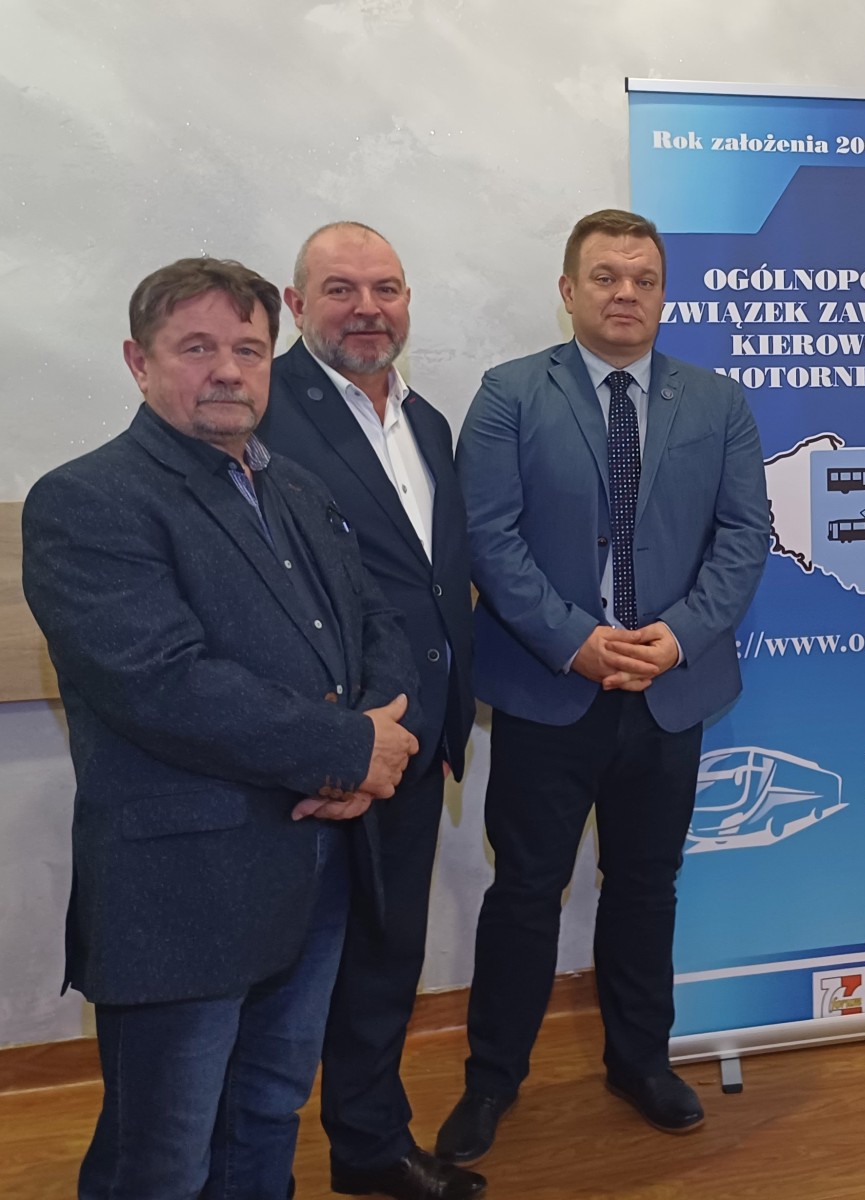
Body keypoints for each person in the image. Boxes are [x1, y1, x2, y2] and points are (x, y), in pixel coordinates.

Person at [21, 257, 421, 1199]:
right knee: (161, 1155)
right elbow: (162, 684)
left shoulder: (298, 491)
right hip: (185, 888)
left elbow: (377, 625)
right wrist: (349, 752)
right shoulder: (87, 500)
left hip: (315, 864)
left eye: (248, 348)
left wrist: (370, 747)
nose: (229, 371)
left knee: (267, 1113)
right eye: (196, 348)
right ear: (139, 361)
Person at [434, 209, 769, 1163]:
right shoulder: (509, 394)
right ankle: (493, 1079)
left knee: (647, 888)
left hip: (669, 692)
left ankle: (640, 1062)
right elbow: (487, 538)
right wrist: (575, 641)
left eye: (644, 279)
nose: (627, 294)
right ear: (568, 290)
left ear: (664, 295)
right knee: (526, 891)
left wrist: (681, 637)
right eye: (606, 277)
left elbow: (745, 536)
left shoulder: (718, 402)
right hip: (551, 693)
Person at [259, 223, 481, 1200]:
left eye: (385, 288)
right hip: (315, 747)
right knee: (280, 974)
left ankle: (368, 1144)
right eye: (340, 289)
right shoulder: (261, 406)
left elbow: (433, 585)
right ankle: (244, 1167)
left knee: (387, 955)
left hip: (412, 738)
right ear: (296, 305)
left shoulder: (427, 421)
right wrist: (329, 734)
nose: (366, 308)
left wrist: (437, 719)